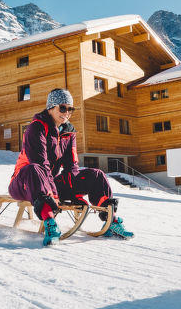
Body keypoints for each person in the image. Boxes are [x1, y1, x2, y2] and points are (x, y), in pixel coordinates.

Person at [9, 88, 133, 245]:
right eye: (62, 108)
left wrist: (74, 191)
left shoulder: (69, 133)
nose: (66, 113)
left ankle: (111, 221)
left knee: (96, 175)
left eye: (70, 109)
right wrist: (54, 196)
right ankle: (50, 223)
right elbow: (40, 163)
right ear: (50, 107)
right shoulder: (36, 128)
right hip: (24, 182)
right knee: (35, 169)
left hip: (49, 183)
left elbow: (71, 167)